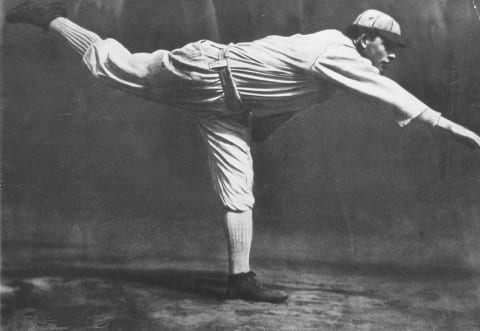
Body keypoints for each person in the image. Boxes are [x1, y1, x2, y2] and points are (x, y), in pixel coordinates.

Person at [6, 1, 480, 304]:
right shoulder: (336, 49)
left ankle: (240, 280)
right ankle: (51, 17)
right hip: (207, 71)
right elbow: (399, 99)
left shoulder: (333, 72)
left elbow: (288, 100)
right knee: (117, 68)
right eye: (389, 45)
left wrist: (264, 130)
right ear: (363, 37)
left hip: (232, 110)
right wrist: (465, 134)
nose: (392, 54)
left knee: (239, 193)